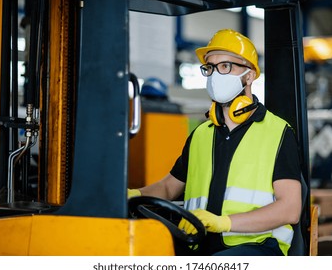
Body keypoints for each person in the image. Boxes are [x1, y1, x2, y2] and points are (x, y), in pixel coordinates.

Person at [128, 29, 302, 256]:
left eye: (225, 66)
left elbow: (290, 209)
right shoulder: (202, 134)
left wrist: (224, 223)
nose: (214, 75)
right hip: (196, 243)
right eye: (209, 68)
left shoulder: (278, 133)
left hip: (257, 247)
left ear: (249, 75)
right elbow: (169, 187)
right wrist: (136, 195)